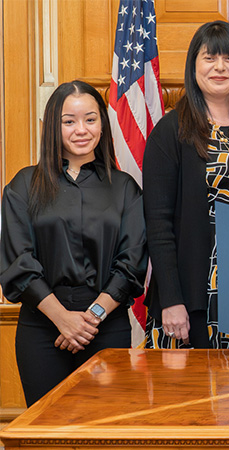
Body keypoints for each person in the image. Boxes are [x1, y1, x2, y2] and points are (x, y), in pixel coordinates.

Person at [0, 81, 147, 405]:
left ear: (102, 124)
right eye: (69, 121)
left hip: (106, 327)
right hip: (41, 327)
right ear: (54, 125)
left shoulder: (124, 188)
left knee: (106, 431)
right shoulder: (23, 185)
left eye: (90, 119)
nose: (81, 129)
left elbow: (132, 262)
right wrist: (62, 319)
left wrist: (90, 318)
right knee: (46, 433)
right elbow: (17, 261)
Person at [143, 21, 229, 349]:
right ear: (194, 66)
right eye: (209, 58)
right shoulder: (171, 131)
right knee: (189, 398)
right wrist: (171, 299)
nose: (219, 67)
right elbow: (158, 227)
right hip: (191, 297)